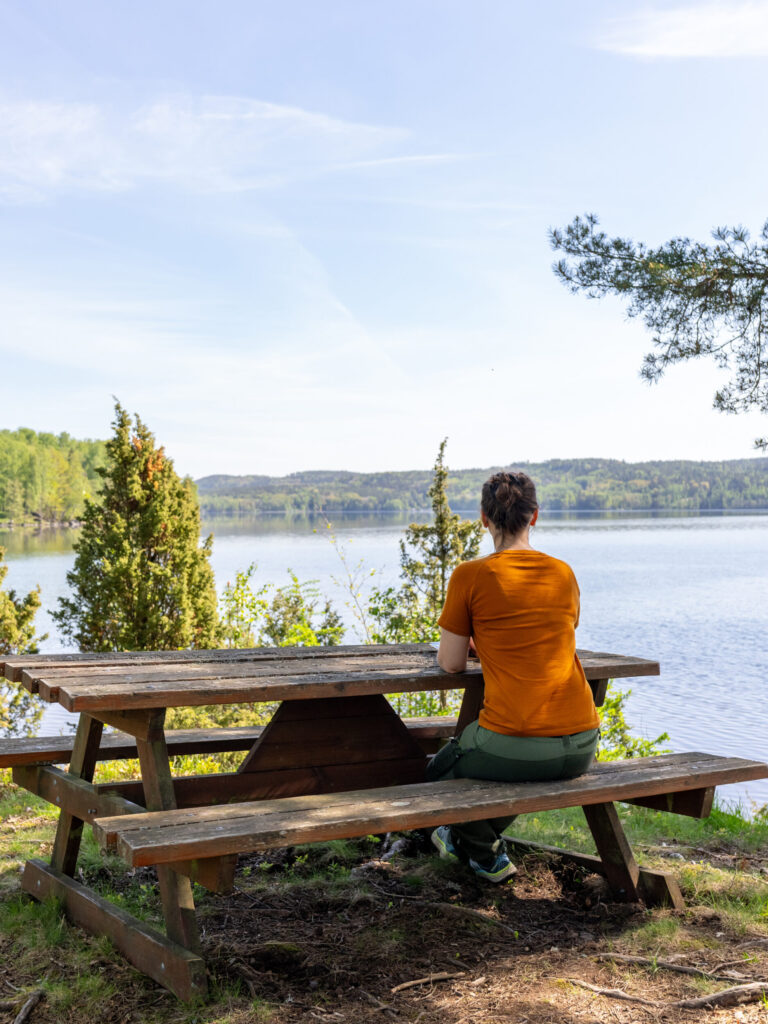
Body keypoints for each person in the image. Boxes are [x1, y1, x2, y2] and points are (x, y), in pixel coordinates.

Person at [427, 471, 600, 883]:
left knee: (437, 774)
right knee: (507, 769)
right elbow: (548, 636)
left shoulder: (470, 575)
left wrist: (477, 642)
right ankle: (472, 846)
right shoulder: (563, 573)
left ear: (483, 518)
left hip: (518, 744)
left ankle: (484, 853)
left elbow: (450, 664)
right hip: (583, 743)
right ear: (534, 516)